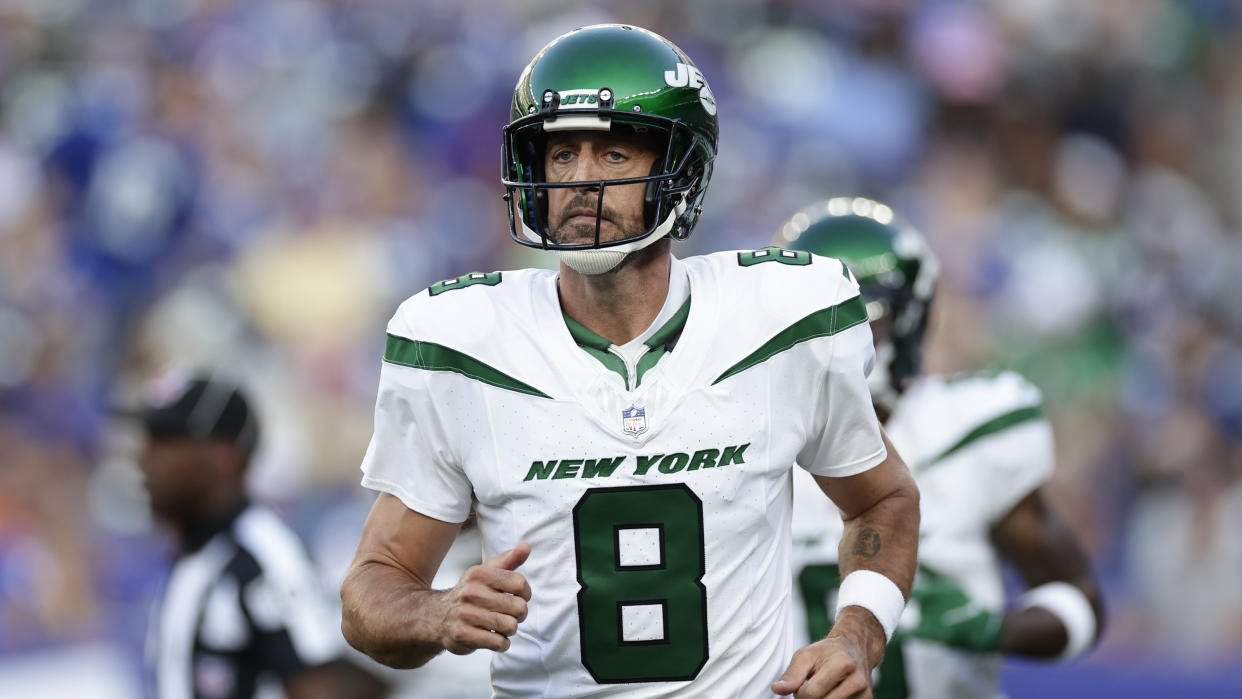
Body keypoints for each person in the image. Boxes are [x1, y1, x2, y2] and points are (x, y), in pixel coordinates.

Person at [341, 24, 921, 698]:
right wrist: (433, 611)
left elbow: (883, 499)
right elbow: (372, 588)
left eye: (614, 152)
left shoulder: (778, 317)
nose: (581, 179)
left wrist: (858, 632)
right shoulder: (460, 341)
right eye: (560, 155)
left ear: (685, 169)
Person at [775, 197, 1106, 698]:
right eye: (819, 323)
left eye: (866, 317)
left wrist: (991, 631)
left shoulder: (968, 429)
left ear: (908, 318)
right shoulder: (751, 446)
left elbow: (1081, 605)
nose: (844, 342)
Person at [120, 370, 388, 699]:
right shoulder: (195, 553)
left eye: (166, 442)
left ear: (224, 455)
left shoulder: (262, 555)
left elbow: (324, 685)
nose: (144, 460)